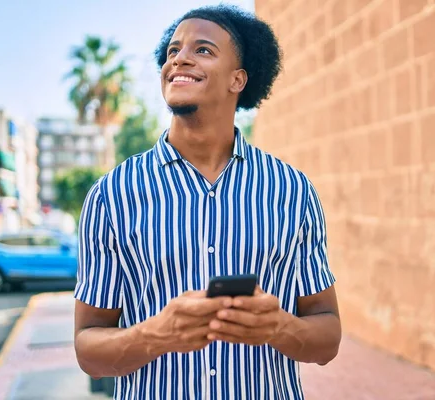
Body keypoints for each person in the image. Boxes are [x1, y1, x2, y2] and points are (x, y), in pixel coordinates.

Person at [73, 4, 341, 399]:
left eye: (202, 50)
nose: (179, 57)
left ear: (238, 79)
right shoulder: (112, 195)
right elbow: (87, 349)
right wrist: (156, 334)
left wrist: (281, 328)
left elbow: (328, 335)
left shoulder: (293, 191)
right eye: (173, 50)